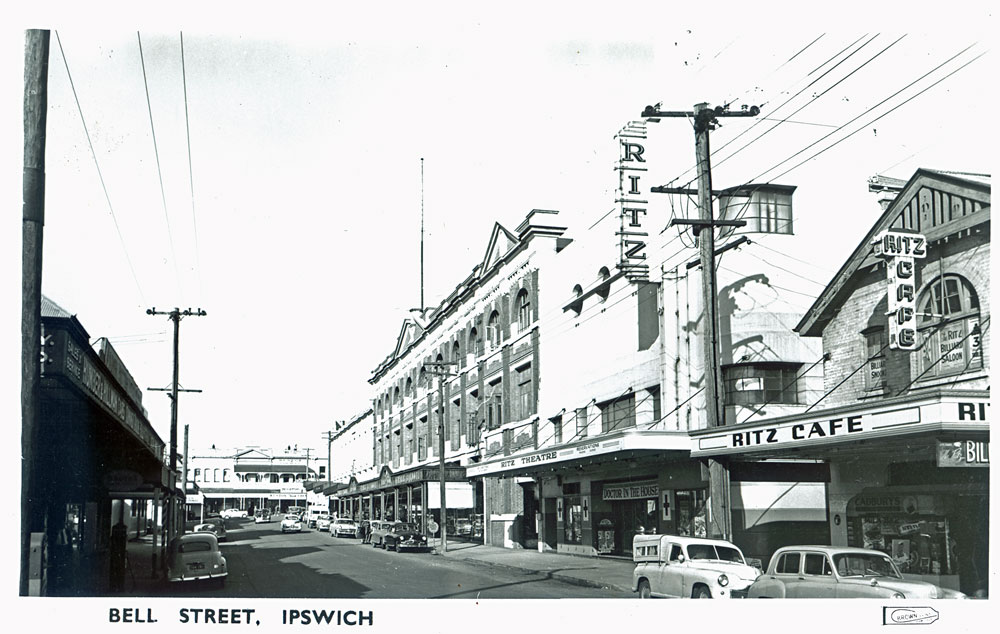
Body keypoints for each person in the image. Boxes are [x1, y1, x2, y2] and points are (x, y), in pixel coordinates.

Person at [109, 520, 128, 592]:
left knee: (116, 568)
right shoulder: (121, 537)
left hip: (116, 553)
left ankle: (115, 586)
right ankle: (119, 586)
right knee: (119, 568)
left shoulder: (114, 536)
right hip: (118, 553)